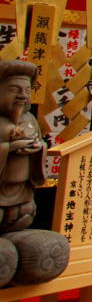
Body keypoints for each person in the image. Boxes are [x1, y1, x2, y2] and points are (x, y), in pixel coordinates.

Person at [0, 61, 46, 233]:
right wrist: (10, 148)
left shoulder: (30, 120)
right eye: (14, 90)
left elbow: (41, 143)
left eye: (27, 91)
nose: (22, 96)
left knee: (25, 215)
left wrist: (38, 147)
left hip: (21, 193)